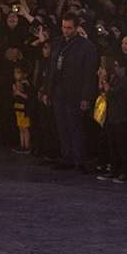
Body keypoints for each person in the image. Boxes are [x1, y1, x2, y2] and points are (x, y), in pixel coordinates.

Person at [47, 12, 98, 171]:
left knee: (75, 126)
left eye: (69, 28)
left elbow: (89, 73)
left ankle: (79, 159)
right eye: (64, 27)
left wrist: (85, 97)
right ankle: (66, 156)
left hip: (75, 92)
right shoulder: (58, 43)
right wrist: (47, 90)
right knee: (62, 125)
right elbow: (51, 68)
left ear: (76, 28)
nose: (66, 31)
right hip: (59, 91)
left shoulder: (86, 47)